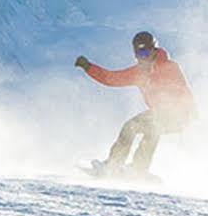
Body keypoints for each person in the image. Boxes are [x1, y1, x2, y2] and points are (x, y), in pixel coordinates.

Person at [75, 30, 197, 175]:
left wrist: (189, 111)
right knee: (150, 129)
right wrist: (89, 67)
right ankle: (136, 170)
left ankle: (119, 166)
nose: (142, 58)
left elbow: (183, 90)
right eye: (138, 55)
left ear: (154, 50)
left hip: (179, 114)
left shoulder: (169, 67)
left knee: (134, 126)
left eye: (145, 54)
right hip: (159, 114)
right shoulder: (139, 72)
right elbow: (112, 78)